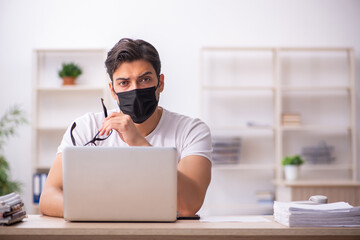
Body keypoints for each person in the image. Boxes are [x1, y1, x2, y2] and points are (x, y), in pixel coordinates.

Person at [39, 38, 212, 218]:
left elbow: (189, 205)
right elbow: (48, 197)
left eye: (145, 79)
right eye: (124, 83)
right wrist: (111, 211)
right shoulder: (86, 127)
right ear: (112, 90)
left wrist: (138, 142)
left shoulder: (192, 131)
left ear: (160, 83)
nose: (135, 90)